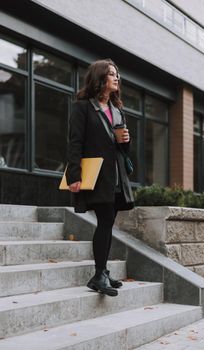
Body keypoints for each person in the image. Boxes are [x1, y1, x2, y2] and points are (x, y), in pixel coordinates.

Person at [65, 59, 134, 297]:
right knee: (105, 221)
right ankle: (99, 275)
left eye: (117, 75)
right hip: (95, 175)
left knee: (108, 223)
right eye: (112, 74)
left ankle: (102, 271)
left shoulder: (117, 109)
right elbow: (75, 143)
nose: (116, 78)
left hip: (115, 176)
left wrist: (125, 141)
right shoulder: (83, 107)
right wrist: (74, 176)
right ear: (100, 78)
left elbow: (121, 150)